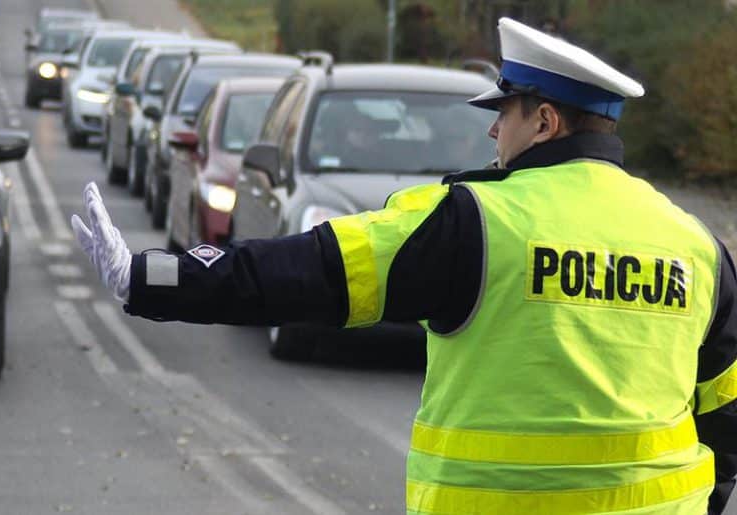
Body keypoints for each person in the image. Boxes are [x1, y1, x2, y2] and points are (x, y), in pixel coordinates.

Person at [72, 17, 737, 515]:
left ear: (544, 121)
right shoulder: (696, 246)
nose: (491, 132)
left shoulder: (473, 221)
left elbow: (308, 270)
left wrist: (151, 276)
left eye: (502, 113)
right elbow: (727, 418)